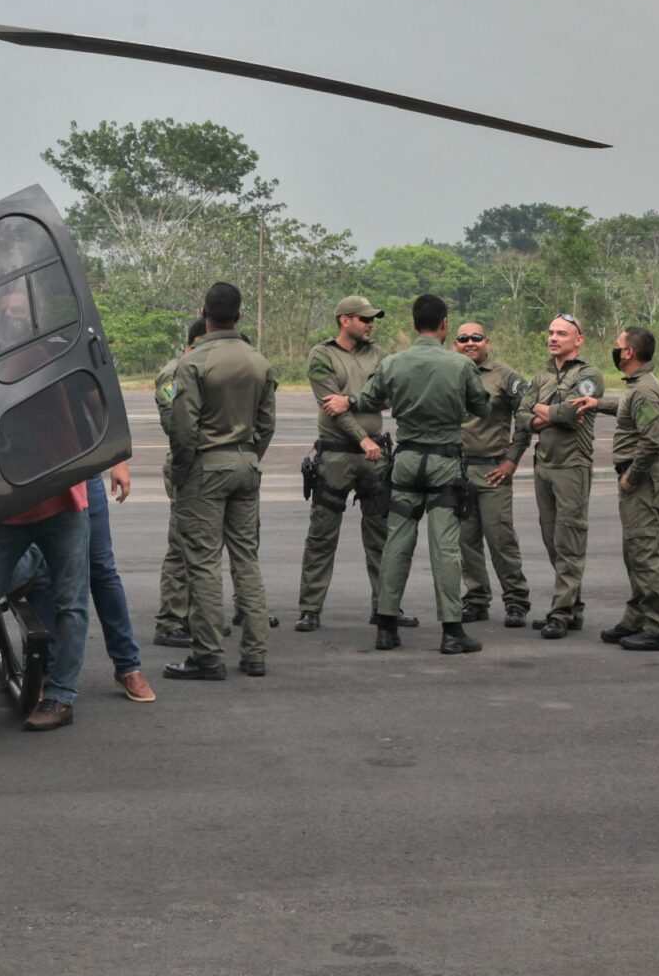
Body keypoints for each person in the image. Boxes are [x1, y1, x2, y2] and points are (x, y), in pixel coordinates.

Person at [325, 293, 491, 654]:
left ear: (414, 324)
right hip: (444, 461)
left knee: (397, 542)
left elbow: (368, 400)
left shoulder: (392, 363)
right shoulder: (460, 366)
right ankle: (451, 631)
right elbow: (482, 406)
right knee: (445, 546)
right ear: (445, 324)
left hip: (406, 460)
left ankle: (386, 626)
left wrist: (349, 400)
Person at [164, 282, 278, 681]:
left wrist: (183, 473)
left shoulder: (193, 362)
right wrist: (248, 457)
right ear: (240, 315)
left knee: (203, 562)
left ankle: (209, 655)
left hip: (206, 466)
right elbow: (267, 423)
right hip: (247, 462)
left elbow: (183, 430)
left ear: (204, 313)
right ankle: (255, 653)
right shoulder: (258, 360)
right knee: (246, 558)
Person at [10, 463, 157, 703]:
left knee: (102, 570)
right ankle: (47, 670)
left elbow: (110, 423)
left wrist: (119, 464)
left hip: (84, 475)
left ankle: (128, 665)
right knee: (45, 576)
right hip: (38, 477)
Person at [294, 295, 396, 633]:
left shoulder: (381, 355)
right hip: (337, 456)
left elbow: (390, 396)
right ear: (344, 320)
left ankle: (385, 607)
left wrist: (353, 399)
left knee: (381, 534)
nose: (370, 324)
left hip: (375, 458)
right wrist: (362, 437)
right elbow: (330, 408)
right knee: (322, 534)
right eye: (364, 318)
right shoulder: (322, 355)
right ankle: (310, 608)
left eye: (372, 319)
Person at [571, 327, 659, 651]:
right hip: (636, 480)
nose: (615, 351)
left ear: (629, 353)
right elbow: (627, 408)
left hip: (641, 481)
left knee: (644, 556)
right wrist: (597, 403)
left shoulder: (644, 390)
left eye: (618, 346)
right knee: (634, 555)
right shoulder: (638, 386)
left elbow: (651, 442)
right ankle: (636, 618)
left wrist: (631, 476)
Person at [0, 479, 93, 731]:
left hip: (62, 505)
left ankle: (61, 696)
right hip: (8, 507)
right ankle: (36, 556)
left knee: (71, 603)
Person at [524, 313, 607, 639]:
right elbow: (522, 412)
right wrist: (548, 414)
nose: (553, 338)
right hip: (543, 465)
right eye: (550, 332)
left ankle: (560, 613)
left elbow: (574, 411)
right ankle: (573, 609)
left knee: (569, 541)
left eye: (561, 333)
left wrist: (540, 409)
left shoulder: (589, 375)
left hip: (572, 468)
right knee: (551, 541)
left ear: (578, 340)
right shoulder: (542, 374)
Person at [452, 322, 533, 628]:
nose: (469, 342)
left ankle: (516, 600)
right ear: (454, 344)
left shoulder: (505, 376)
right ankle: (475, 599)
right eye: (463, 338)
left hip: (493, 470)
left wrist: (512, 459)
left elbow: (525, 416)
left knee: (501, 539)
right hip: (458, 470)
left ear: (487, 341)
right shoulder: (450, 372)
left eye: (476, 337)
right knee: (466, 541)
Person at [150, 317, 210, 648]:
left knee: (201, 546)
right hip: (186, 465)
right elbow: (172, 419)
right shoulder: (175, 372)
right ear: (194, 343)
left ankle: (195, 614)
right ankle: (171, 619)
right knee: (181, 545)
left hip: (206, 466)